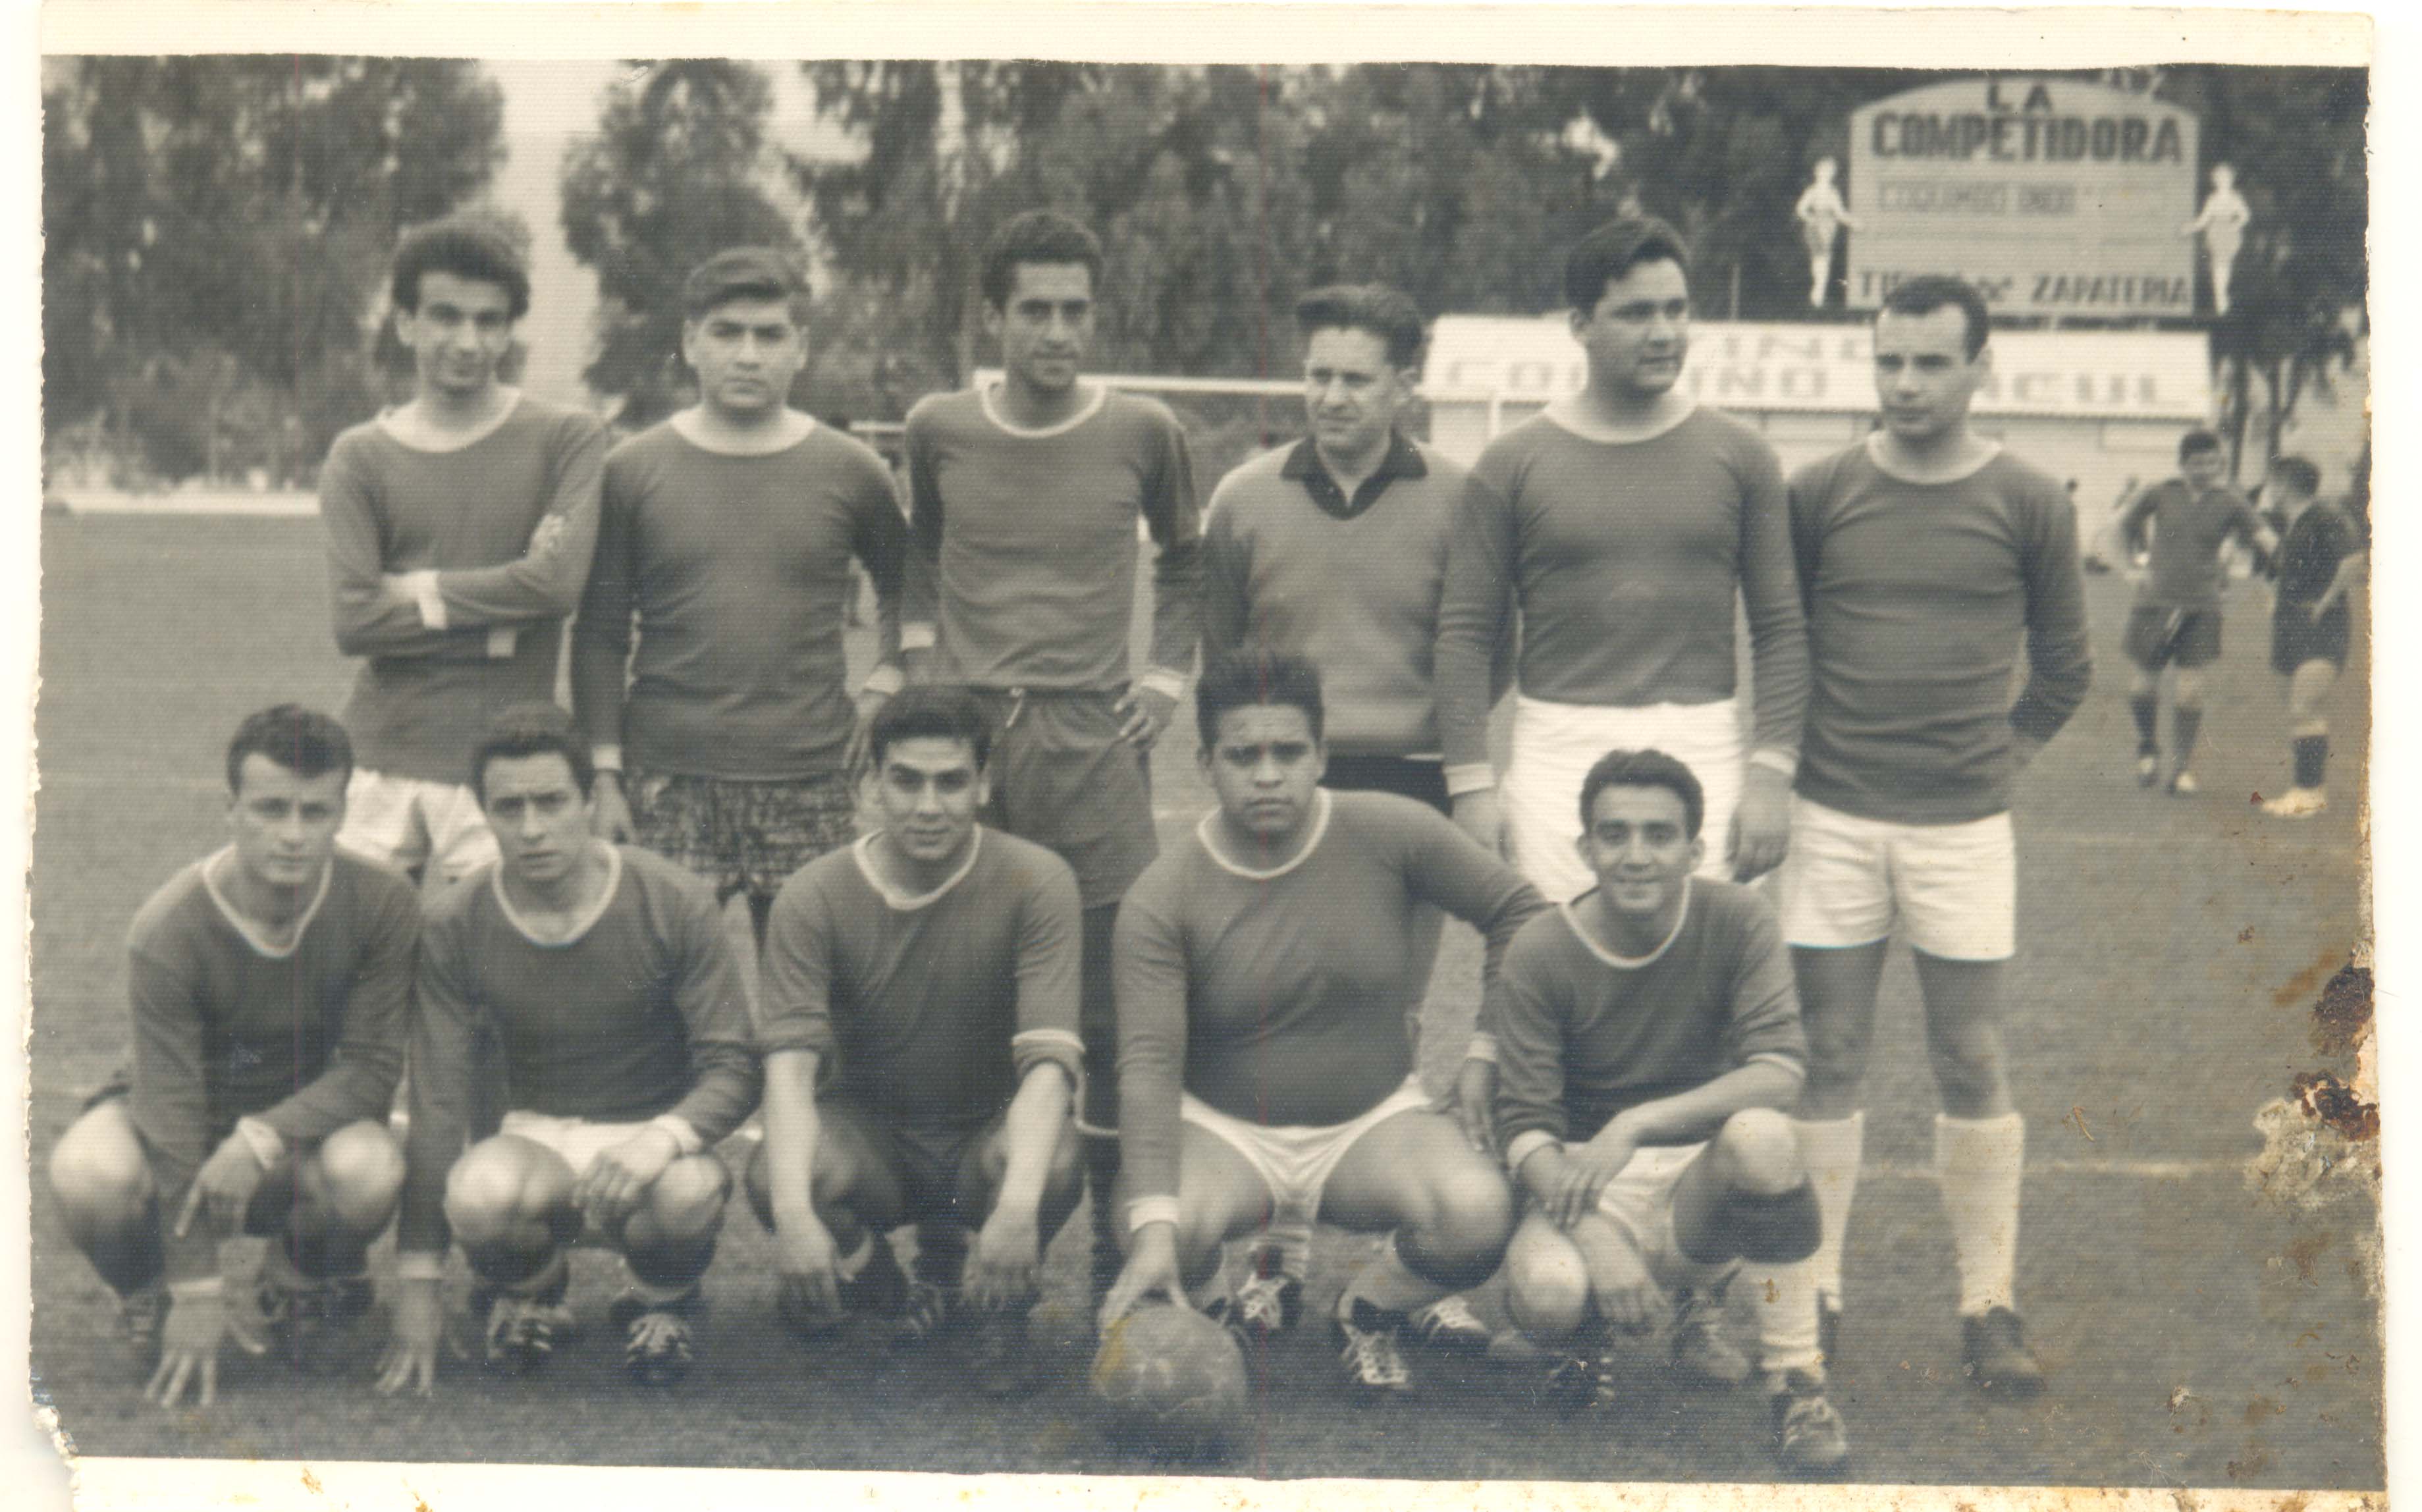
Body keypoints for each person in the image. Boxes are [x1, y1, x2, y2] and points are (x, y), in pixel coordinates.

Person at [1781, 275, 2091, 1397]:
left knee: (1969, 1056)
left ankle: (1986, 1302)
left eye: (1928, 362)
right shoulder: (1817, 490)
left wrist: (1993, 759)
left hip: (1962, 829)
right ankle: (1811, 1294)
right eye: (1888, 361)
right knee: (1826, 1055)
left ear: (1977, 368)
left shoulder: (2026, 499)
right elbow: (1779, 641)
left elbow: (2065, 669)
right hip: (1829, 813)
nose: (1904, 383)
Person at [1102, 649, 1547, 1397]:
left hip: (1370, 1124)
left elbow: (1522, 915)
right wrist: (1149, 1232)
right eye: (1244, 755)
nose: (1267, 774)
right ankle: (1212, 1321)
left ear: (1321, 755)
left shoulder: (1391, 829)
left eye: (1289, 752)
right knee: (1159, 1227)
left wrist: (1484, 1048)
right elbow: (1146, 1064)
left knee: (1476, 1212)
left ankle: (1369, 1304)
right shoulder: (1162, 895)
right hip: (1228, 1132)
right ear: (1207, 762)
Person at [902, 208, 1202, 1305]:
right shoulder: (938, 425)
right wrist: (918, 662)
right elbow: (920, 552)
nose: (1058, 330)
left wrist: (1165, 676)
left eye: (1076, 309)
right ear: (992, 315)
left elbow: (1187, 559)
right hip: (969, 743)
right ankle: (947, 1246)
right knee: (959, 994)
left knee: (1115, 1005)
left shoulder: (1143, 431)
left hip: (1090, 739)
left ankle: (1118, 1264)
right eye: (1035, 309)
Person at [1199, 283, 1510, 1336]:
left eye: (1355, 378)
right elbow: (1220, 651)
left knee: (1392, 1010)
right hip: (1286, 780)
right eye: (1318, 374)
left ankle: (1398, 1259)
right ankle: (1272, 1258)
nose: (1330, 396)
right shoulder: (1242, 496)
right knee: (1272, 1006)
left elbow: (1483, 648)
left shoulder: (1463, 498)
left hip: (1407, 782)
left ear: (1405, 386)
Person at [379, 705, 759, 1394]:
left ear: (590, 799)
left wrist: (664, 1139)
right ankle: (533, 1289)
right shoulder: (454, 920)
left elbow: (734, 1064)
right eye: (509, 807)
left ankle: (659, 1300)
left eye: (552, 801)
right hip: (535, 1138)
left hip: (653, 1139)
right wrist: (419, 1280)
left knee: (687, 1192)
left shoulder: (671, 900)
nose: (531, 828)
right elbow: (436, 1097)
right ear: (484, 815)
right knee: (480, 1192)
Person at [47, 706, 415, 1409]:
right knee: (90, 1171)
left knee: (371, 1166)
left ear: (343, 811)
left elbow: (371, 1069)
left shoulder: (384, 902)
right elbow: (169, 1106)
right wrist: (197, 1285)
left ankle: (297, 1280)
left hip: (299, 1130)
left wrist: (261, 1137)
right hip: (178, 1117)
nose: (294, 834)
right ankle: (147, 1291)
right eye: (271, 809)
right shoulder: (170, 926)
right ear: (230, 808)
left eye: (316, 811)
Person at [1435, 213, 1809, 905]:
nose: (1664, 332)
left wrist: (1770, 775)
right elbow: (1463, 635)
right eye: (1636, 313)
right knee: (1555, 966)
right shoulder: (1512, 462)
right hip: (1558, 746)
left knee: (1699, 982)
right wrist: (1471, 786)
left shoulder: (1742, 454)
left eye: (1677, 310)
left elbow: (1782, 629)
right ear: (1580, 325)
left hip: (1704, 739)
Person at [1493, 749, 1844, 1476]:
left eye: (1659, 835)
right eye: (1614, 834)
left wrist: (1637, 1122)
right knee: (1548, 1293)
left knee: (1765, 1137)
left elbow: (1780, 1073)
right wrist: (1594, 1235)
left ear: (1696, 849)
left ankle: (1796, 1381)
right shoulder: (1539, 947)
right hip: (1586, 1180)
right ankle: (1586, 1334)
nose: (1636, 855)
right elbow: (1524, 1128)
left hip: (1699, 1175)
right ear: (1586, 847)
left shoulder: (1740, 917)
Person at [746, 686, 1086, 1391]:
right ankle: (877, 1285)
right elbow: (787, 1072)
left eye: (951, 781)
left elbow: (1049, 1068)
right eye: (906, 780)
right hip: (876, 1145)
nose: (929, 806)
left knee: (1051, 1162)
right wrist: (793, 1218)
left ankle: (999, 1313)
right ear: (871, 783)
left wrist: (1019, 1208)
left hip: (978, 1145)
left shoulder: (1037, 879)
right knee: (780, 1174)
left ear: (984, 784)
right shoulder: (812, 894)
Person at [572, 248, 907, 951]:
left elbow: (913, 585)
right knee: (656, 1000)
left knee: (812, 1002)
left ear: (802, 347)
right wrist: (605, 776)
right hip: (664, 780)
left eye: (770, 334)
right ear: (690, 342)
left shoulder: (853, 469)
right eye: (726, 333)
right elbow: (601, 632)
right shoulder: (631, 469)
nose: (748, 354)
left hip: (808, 777)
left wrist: (888, 677)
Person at [321, 217, 608, 884]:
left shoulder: (566, 437)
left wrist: (418, 591)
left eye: (490, 321)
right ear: (406, 324)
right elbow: (355, 623)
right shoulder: (360, 456)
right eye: (445, 317)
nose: (468, 341)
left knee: (500, 976)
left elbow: (557, 587)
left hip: (506, 771)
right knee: (359, 971)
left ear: (510, 330)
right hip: (378, 761)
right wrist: (504, 619)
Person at [2117, 429, 2276, 796]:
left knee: (2190, 693)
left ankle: (2182, 769)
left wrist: (2286, 558)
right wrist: (2131, 567)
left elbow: (2263, 536)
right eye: (2197, 463)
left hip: (2201, 607)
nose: (2205, 469)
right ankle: (2147, 747)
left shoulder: (2230, 501)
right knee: (2142, 688)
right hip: (2154, 604)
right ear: (2182, 463)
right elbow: (2123, 528)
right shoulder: (2160, 493)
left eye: (2212, 463)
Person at [2258, 456, 2364, 817]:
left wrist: (2325, 603)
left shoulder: (2324, 517)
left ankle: (2308, 793)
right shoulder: (2295, 523)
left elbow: (2352, 562)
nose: (2269, 488)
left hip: (2321, 625)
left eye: (2273, 480)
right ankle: (2306, 790)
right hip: (2290, 624)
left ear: (2286, 482)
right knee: (2296, 708)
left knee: (2306, 704)